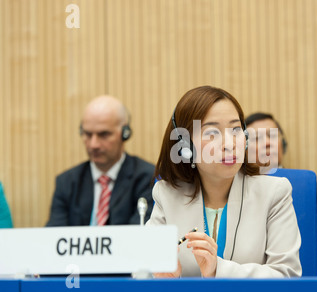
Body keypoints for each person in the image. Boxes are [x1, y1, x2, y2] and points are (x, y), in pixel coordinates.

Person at [147, 86, 301, 278]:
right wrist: (163, 280)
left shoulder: (274, 193)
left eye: (236, 129)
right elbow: (143, 271)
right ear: (184, 145)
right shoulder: (166, 194)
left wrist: (218, 269)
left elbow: (287, 275)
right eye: (212, 133)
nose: (229, 143)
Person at [46, 95, 155, 226]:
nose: (94, 144)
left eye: (104, 134)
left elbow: (142, 235)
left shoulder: (147, 178)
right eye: (87, 134)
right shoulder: (67, 182)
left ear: (125, 133)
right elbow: (54, 238)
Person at [245, 112, 317, 274]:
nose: (268, 142)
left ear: (283, 144)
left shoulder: (312, 190)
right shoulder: (230, 189)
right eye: (257, 138)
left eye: (272, 136)